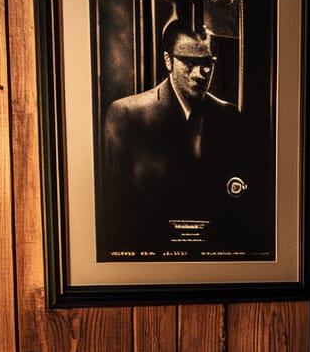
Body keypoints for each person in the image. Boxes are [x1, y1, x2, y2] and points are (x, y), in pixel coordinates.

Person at [98, 20, 267, 257]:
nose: (201, 74)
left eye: (207, 63)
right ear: (168, 60)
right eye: (190, 63)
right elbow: (116, 209)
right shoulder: (126, 114)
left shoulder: (229, 116)